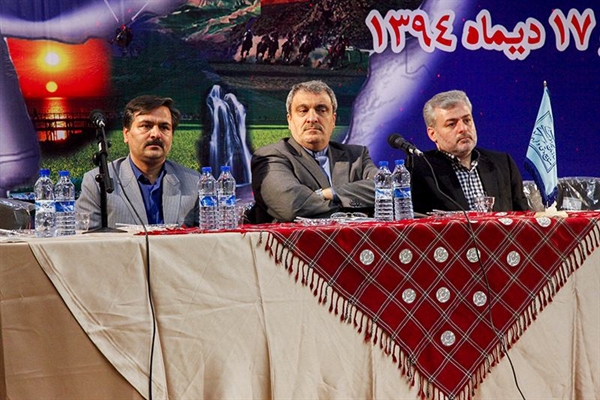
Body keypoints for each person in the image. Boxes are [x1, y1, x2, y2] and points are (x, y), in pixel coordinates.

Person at [250, 80, 378, 223]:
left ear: (333, 120)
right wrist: (357, 213)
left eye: (321, 110)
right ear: (290, 120)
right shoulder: (269, 157)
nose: (312, 118)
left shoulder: (356, 156)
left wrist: (329, 193)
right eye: (303, 111)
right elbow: (293, 206)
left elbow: (386, 190)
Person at [76, 95, 199, 229]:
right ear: (126, 134)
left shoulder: (194, 182)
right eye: (146, 126)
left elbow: (208, 237)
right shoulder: (96, 183)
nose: (156, 134)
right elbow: (85, 238)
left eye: (164, 127)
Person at [409, 89, 529, 214]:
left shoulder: (503, 163)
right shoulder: (419, 170)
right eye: (451, 124)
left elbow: (524, 217)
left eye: (467, 120)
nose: (463, 128)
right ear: (432, 134)